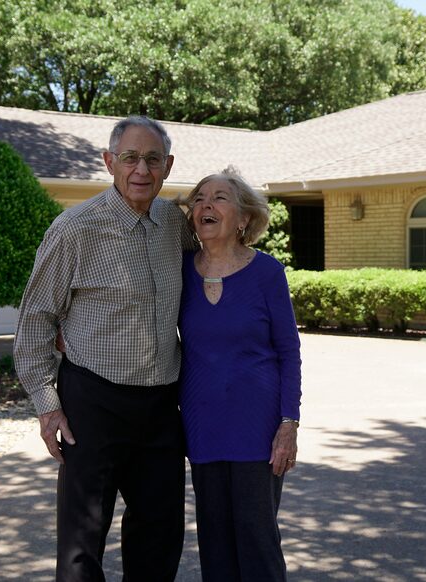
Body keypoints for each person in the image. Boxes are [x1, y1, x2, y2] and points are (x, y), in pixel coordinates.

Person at [13, 116, 193, 582]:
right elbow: (35, 323)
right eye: (130, 158)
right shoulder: (74, 229)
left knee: (160, 532)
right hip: (93, 402)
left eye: (153, 159)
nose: (141, 169)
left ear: (168, 166)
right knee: (82, 541)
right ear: (109, 162)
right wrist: (48, 407)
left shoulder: (174, 223)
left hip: (161, 405)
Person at [178, 168, 302, 581]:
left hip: (257, 428)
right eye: (199, 198)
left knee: (257, 539)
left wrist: (288, 424)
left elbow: (289, 352)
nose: (205, 205)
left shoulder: (267, 273)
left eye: (219, 198)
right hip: (201, 424)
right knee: (214, 542)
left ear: (244, 219)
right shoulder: (179, 272)